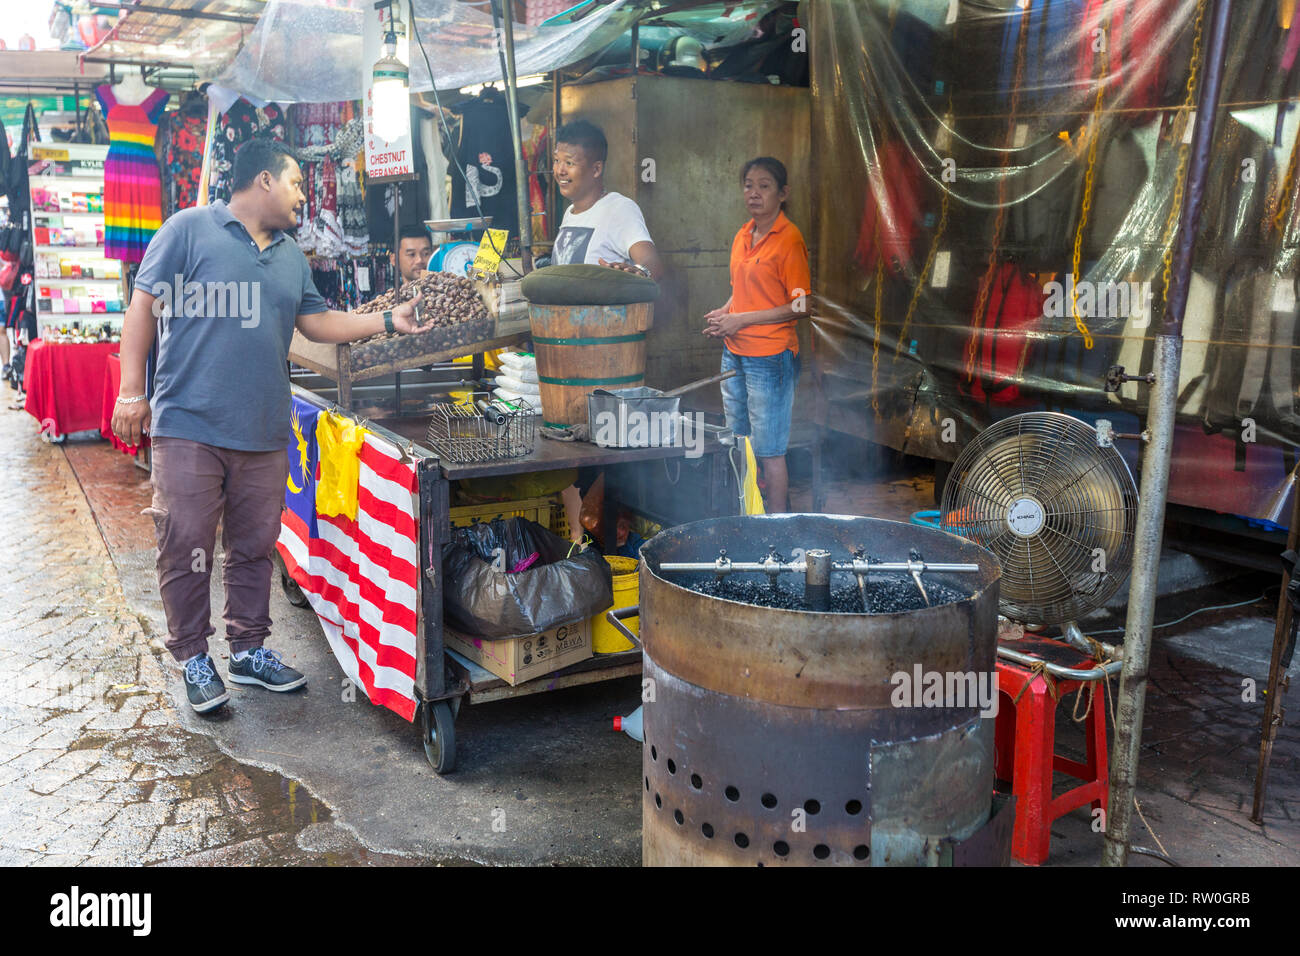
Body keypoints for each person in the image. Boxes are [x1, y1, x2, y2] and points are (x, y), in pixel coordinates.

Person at [112, 138, 431, 714]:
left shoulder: (289, 255)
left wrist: (386, 318)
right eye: (296, 183)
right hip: (189, 425)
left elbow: (316, 322)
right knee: (185, 541)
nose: (303, 196)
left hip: (263, 428)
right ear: (264, 181)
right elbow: (142, 309)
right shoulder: (186, 230)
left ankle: (248, 650)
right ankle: (193, 656)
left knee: (256, 545)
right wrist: (131, 392)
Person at [550, 119, 665, 540]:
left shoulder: (619, 209)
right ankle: (579, 551)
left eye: (571, 162)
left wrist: (634, 270)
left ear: (596, 168)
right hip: (565, 361)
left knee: (596, 466)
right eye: (558, 161)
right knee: (567, 459)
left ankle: (597, 558)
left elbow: (652, 263)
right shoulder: (568, 212)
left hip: (605, 362)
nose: (561, 170)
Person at [704, 157, 810, 513]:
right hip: (735, 351)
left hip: (771, 357)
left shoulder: (789, 239)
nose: (754, 193)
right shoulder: (743, 234)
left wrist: (742, 320)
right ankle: (746, 514)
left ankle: (777, 525)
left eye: (764, 186)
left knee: (769, 450)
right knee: (739, 443)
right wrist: (726, 312)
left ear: (783, 194)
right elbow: (742, 287)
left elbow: (800, 305)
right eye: (749, 185)